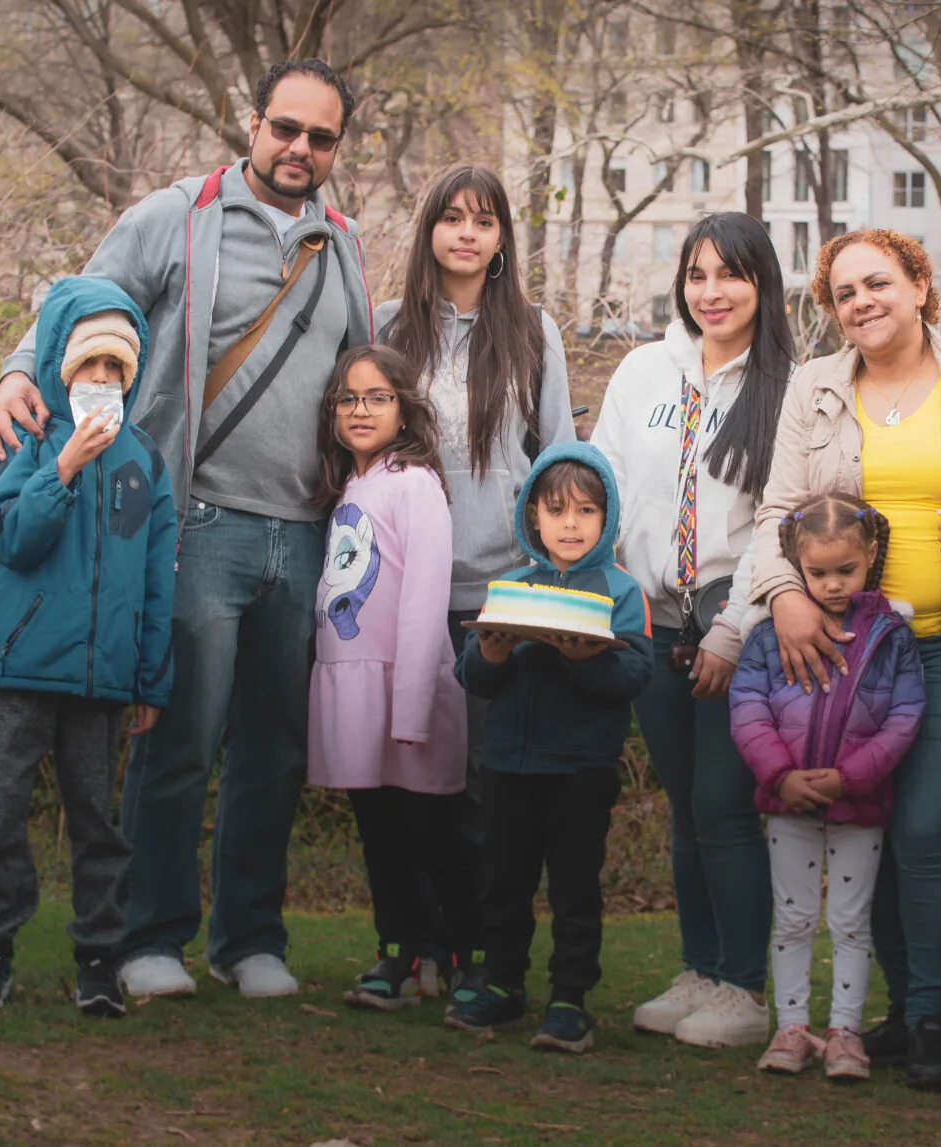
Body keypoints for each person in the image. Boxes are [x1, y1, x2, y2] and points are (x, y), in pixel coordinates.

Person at [0, 60, 372, 1001]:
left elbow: (365, 368)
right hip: (193, 518)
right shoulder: (178, 217)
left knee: (274, 749)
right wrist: (12, 373)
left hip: (305, 532)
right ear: (252, 123)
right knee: (178, 739)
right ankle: (149, 933)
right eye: (285, 128)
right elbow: (73, 300)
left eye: (320, 138)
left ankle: (249, 939)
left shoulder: (345, 244)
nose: (299, 150)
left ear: (336, 149)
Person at [750, 227, 941, 1094]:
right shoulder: (815, 387)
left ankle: (933, 1016)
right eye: (843, 293)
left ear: (919, 283)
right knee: (871, 829)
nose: (861, 302)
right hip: (839, 651)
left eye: (877, 283)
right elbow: (777, 513)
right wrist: (783, 594)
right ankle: (900, 1014)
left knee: (926, 830)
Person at [373, 163, 574, 1003]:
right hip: (401, 589)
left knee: (487, 788)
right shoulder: (388, 326)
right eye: (451, 218)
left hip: (500, 594)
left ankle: (488, 955)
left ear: (500, 240)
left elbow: (560, 455)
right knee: (404, 776)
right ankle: (415, 944)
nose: (466, 232)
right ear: (428, 232)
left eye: (483, 220)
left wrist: (558, 577)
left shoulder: (533, 332)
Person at [591, 212, 792, 1049]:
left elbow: (777, 521)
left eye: (731, 275)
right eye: (698, 274)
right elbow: (600, 474)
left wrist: (733, 630)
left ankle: (744, 988)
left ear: (763, 285)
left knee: (724, 801)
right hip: (649, 611)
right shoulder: (643, 370)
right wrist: (606, 598)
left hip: (732, 613)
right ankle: (700, 968)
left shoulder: (787, 383)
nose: (712, 292)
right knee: (683, 805)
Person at [0, 279, 175, 1019]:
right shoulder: (26, 440)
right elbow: (8, 538)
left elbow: (155, 580)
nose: (103, 382)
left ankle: (98, 957)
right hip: (22, 668)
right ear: (60, 367)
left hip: (103, 676)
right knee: (4, 811)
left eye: (117, 369)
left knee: (97, 819)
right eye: (90, 367)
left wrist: (149, 676)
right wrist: (62, 469)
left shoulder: (144, 462)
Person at [448, 443, 652, 1054]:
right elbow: (473, 678)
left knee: (574, 889)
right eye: (556, 510)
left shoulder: (621, 592)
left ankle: (569, 1001)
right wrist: (490, 651)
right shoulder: (508, 586)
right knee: (503, 882)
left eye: (585, 512)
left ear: (606, 518)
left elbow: (632, 679)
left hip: (581, 770)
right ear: (532, 515)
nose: (570, 524)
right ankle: (504, 987)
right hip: (508, 764)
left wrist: (585, 662)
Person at [731, 494, 926, 1082]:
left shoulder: (891, 634)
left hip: (858, 807)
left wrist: (853, 777)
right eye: (818, 573)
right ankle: (791, 1027)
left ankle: (845, 1033)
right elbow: (747, 708)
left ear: (871, 556)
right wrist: (779, 776)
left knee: (849, 919)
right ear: (795, 563)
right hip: (787, 805)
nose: (834, 585)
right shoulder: (768, 636)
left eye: (846, 570)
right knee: (791, 917)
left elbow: (905, 715)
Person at [302, 345, 473, 1012]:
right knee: (381, 833)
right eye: (349, 398)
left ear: (404, 408)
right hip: (353, 691)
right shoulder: (350, 486)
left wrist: (410, 711)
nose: (362, 409)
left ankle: (460, 954)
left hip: (406, 691)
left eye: (378, 397)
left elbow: (424, 601)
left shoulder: (415, 484)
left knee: (433, 832)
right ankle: (398, 950)